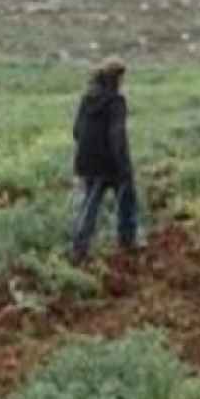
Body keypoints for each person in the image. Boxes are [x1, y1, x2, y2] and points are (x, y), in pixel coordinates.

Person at [70, 56, 139, 262]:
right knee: (127, 198)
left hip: (86, 161)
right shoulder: (116, 101)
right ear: (117, 77)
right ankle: (127, 242)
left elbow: (76, 131)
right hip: (108, 163)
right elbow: (117, 136)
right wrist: (124, 166)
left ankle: (79, 248)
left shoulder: (87, 98)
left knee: (89, 205)